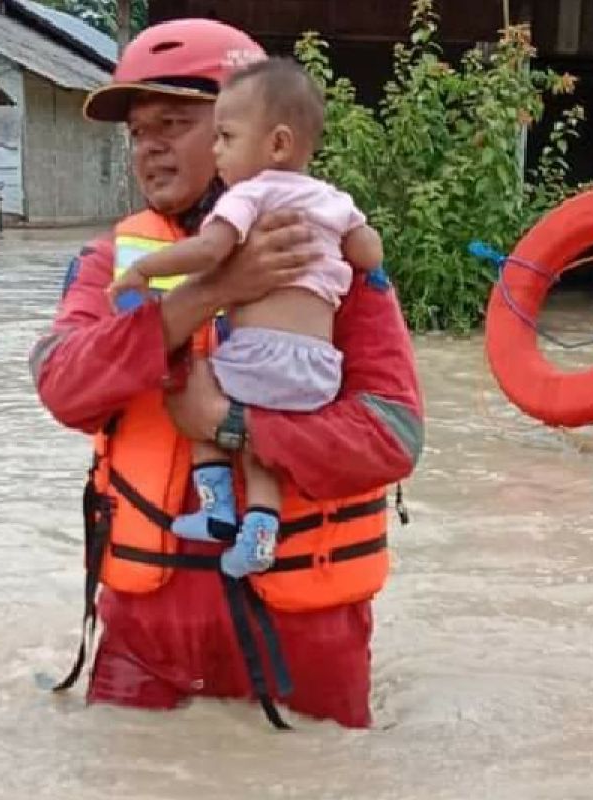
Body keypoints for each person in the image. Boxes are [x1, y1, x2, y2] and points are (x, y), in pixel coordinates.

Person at [29, 19, 423, 730]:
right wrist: (207, 294)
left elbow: (393, 435)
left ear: (255, 128)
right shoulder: (110, 259)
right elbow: (62, 384)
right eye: (137, 131)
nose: (148, 145)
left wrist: (232, 426)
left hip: (304, 641)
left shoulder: (333, 254)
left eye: (175, 123)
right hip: (147, 637)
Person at [107, 57, 384, 579]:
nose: (218, 151)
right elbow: (369, 253)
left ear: (275, 144)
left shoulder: (249, 196)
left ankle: (216, 511)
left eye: (222, 136)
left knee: (192, 382)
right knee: (264, 452)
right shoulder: (334, 200)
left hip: (256, 358)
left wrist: (144, 271)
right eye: (138, 132)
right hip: (319, 370)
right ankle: (260, 530)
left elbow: (210, 251)